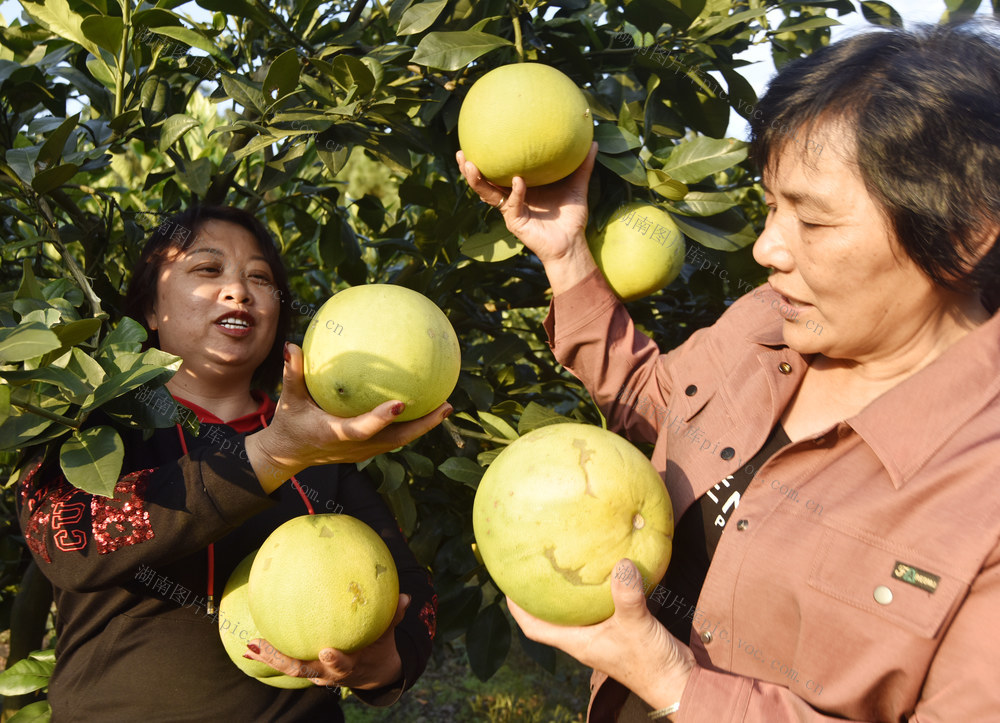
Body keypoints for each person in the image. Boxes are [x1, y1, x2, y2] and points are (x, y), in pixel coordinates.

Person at [458, 21, 1000, 723]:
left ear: (964, 232)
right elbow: (654, 403)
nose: (769, 248)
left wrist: (678, 682)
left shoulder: (979, 490)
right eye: (772, 205)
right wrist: (565, 256)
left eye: (813, 220)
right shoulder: (771, 323)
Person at [16, 205, 451, 721]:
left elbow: (413, 592)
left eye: (260, 278)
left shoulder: (324, 446)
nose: (238, 291)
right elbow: (66, 541)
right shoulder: (92, 427)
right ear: (152, 311)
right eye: (207, 269)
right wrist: (273, 454)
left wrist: (378, 663)